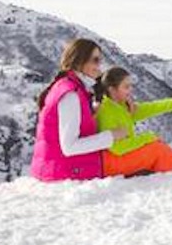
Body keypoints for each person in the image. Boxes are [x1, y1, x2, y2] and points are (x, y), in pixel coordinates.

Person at [30, 38, 128, 181]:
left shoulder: (71, 87)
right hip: (66, 173)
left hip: (60, 169)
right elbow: (69, 147)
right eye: (95, 60)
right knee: (151, 155)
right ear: (80, 60)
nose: (99, 65)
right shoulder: (70, 94)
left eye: (100, 60)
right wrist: (111, 135)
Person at [94, 66, 172, 180]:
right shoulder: (106, 111)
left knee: (157, 148)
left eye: (130, 86)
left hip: (120, 157)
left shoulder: (123, 106)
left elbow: (157, 106)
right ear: (112, 90)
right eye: (126, 87)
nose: (131, 90)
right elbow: (117, 148)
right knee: (156, 150)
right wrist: (148, 138)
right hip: (111, 163)